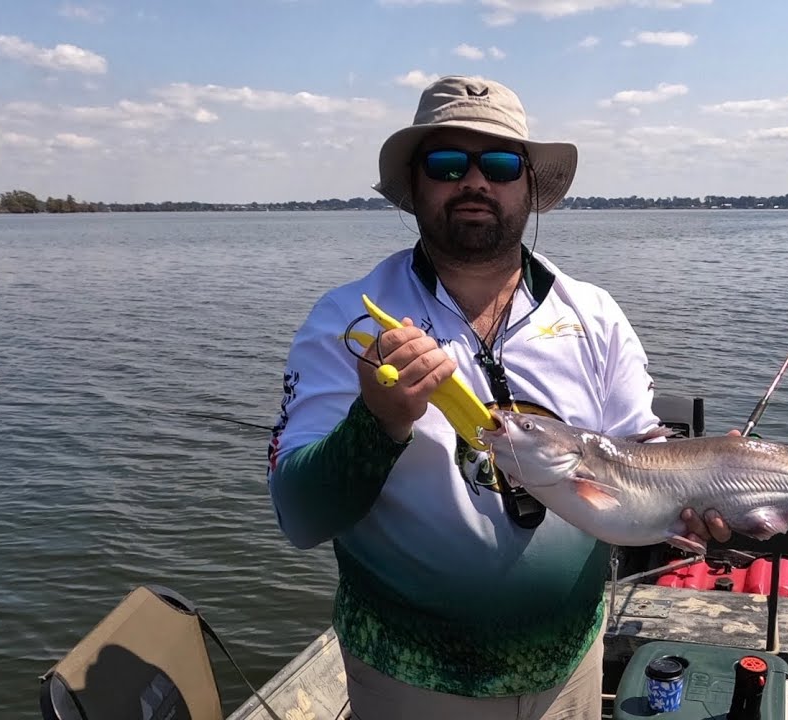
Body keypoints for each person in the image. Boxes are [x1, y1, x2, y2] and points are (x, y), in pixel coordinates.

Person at [265, 75, 731, 720]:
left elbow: (642, 459)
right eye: (448, 163)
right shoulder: (349, 322)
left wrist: (699, 501)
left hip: (570, 660)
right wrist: (378, 420)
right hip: (411, 674)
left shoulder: (593, 315)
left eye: (502, 164)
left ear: (530, 187)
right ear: (417, 186)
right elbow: (300, 515)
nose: (475, 182)